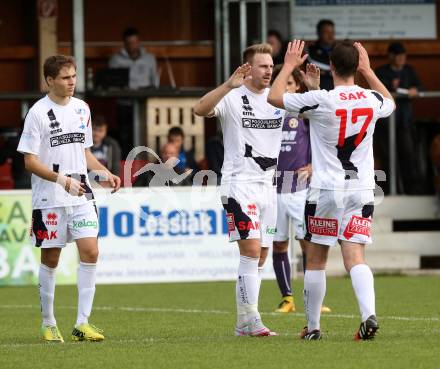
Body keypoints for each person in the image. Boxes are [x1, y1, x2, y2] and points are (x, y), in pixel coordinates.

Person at [268, 40, 395, 340]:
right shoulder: (370, 98)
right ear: (357, 66)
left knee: (316, 259)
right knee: (355, 258)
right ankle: (368, 315)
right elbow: (390, 101)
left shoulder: (322, 100)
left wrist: (288, 66)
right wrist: (369, 71)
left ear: (332, 67)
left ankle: (312, 328)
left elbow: (274, 98)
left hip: (326, 191)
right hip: (361, 190)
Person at [17, 55, 121, 343]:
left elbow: (84, 151)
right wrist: (62, 180)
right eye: (65, 77)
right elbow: (29, 161)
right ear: (49, 81)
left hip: (82, 195)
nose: (72, 81)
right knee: (51, 259)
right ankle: (48, 323)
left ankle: (82, 323)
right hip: (49, 198)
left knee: (91, 252)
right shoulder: (37, 113)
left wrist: (104, 172)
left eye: (73, 76)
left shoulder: (82, 109)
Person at [194, 43, 283, 337]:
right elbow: (199, 109)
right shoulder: (233, 97)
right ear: (248, 68)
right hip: (239, 186)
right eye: (263, 66)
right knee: (251, 249)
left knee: (262, 254)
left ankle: (244, 321)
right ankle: (250, 319)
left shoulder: (279, 99)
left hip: (269, 187)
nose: (269, 70)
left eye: (271, 66)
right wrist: (228, 84)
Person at [270, 65, 331, 314]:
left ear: (298, 88)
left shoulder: (304, 115)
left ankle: (311, 299)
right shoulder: (268, 115)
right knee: (278, 245)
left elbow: (323, 138)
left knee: (307, 243)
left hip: (299, 189)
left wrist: (315, 165)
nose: (285, 89)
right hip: (273, 189)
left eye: (290, 85)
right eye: (282, 84)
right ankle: (287, 298)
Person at [375, 42, 423, 194]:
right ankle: (389, 191)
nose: (401, 58)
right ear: (391, 56)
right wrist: (393, 89)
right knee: (388, 157)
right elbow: (379, 90)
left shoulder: (409, 70)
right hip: (386, 123)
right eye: (398, 55)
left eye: (403, 55)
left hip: (405, 121)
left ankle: (412, 191)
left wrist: (415, 90)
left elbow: (418, 86)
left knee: (408, 155)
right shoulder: (381, 71)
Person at [306, 19, 336, 91]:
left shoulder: (339, 50)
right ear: (318, 33)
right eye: (326, 32)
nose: (330, 35)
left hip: (336, 92)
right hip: (318, 91)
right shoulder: (310, 51)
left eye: (332, 32)